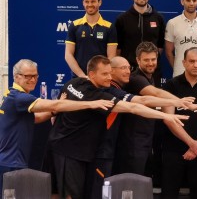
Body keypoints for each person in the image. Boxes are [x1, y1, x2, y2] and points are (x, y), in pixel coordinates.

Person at [45, 55, 189, 199]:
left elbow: (57, 111)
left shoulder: (73, 83)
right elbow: (133, 107)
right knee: (69, 195)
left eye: (110, 72)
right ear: (91, 74)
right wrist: (167, 115)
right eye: (105, 74)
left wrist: (176, 103)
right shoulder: (98, 96)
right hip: (67, 151)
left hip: (69, 148)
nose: (109, 77)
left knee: (64, 192)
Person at [88, 56, 197, 199]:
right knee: (105, 191)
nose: (128, 71)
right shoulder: (106, 91)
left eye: (129, 68)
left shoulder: (116, 89)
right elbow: (141, 102)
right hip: (100, 152)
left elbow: (141, 102)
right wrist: (173, 107)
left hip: (111, 151)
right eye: (123, 68)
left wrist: (174, 105)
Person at [0, 59, 113, 194]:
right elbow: (55, 105)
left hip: (12, 161)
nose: (32, 79)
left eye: (35, 75)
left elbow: (36, 118)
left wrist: (55, 111)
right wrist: (91, 103)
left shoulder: (12, 95)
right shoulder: (20, 98)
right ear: (16, 76)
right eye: (27, 76)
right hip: (11, 164)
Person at [112, 42, 189, 180]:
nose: (150, 63)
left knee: (144, 184)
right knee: (132, 185)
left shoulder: (150, 77)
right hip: (132, 145)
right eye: (146, 60)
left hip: (145, 143)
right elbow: (155, 94)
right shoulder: (136, 79)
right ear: (137, 60)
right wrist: (182, 102)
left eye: (153, 59)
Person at [161, 47, 197, 199]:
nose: (195, 65)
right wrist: (191, 143)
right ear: (184, 62)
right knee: (169, 194)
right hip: (173, 150)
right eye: (191, 61)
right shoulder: (171, 85)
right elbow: (168, 119)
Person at [114, 0, 165, 85]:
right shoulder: (122, 19)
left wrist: (149, 61)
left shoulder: (158, 18)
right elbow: (118, 48)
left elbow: (160, 46)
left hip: (152, 71)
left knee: (154, 99)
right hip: (129, 71)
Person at [65, 0, 117, 78]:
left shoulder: (109, 27)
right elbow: (68, 55)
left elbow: (111, 57)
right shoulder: (74, 25)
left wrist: (100, 76)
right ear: (83, 3)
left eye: (93, 1)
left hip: (101, 79)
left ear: (99, 2)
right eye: (87, 2)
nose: (89, 5)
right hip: (79, 78)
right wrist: (82, 76)